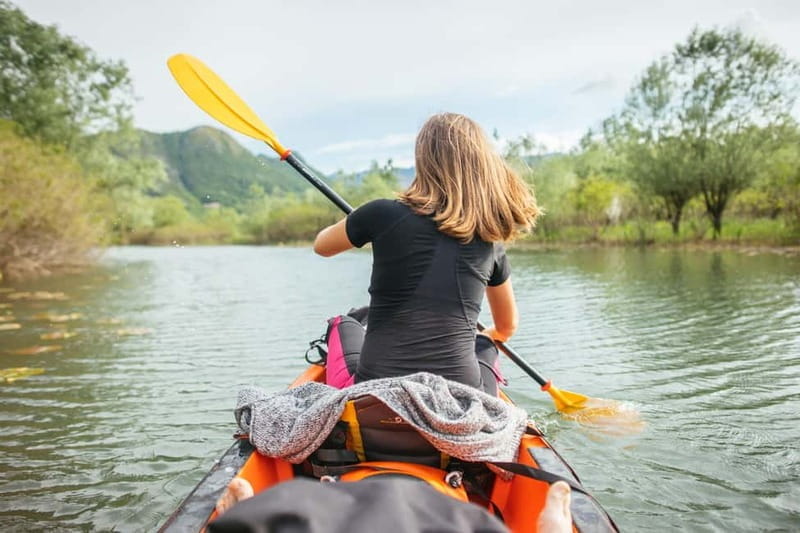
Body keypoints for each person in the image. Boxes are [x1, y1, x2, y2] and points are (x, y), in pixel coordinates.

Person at [313, 112, 539, 394]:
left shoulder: (381, 213)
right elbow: (506, 327)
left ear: (423, 161)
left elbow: (321, 245)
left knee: (343, 324)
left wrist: (362, 222)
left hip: (376, 392)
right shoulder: (491, 240)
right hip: (462, 398)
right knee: (485, 343)